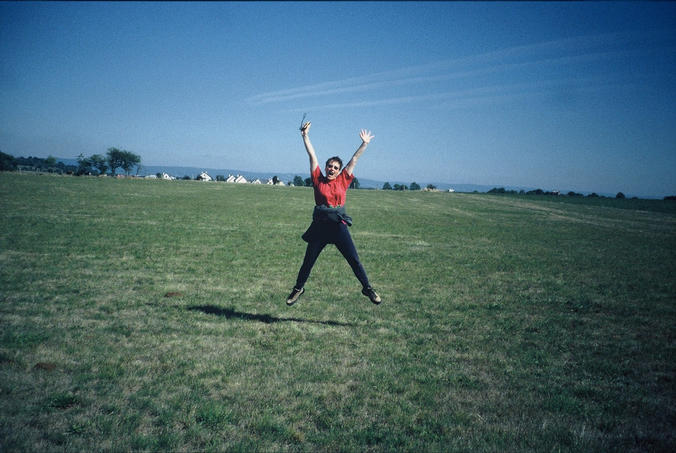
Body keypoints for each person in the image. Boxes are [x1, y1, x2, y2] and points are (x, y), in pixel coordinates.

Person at [286, 121, 381, 306]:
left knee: (354, 259)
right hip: (320, 227)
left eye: (335, 167)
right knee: (308, 262)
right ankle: (298, 289)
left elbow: (354, 160)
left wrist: (364, 144)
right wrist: (305, 136)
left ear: (339, 171)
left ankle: (367, 288)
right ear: (326, 167)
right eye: (329, 166)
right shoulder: (317, 179)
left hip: (338, 227)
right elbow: (312, 155)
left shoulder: (343, 180)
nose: (332, 169)